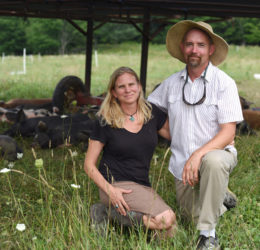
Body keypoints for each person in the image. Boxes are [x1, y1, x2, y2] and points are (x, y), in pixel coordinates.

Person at [148, 20, 243, 249]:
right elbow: (149, 111)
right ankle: (220, 199)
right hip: (182, 164)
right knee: (191, 217)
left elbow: (229, 131)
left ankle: (208, 236)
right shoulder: (171, 84)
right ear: (182, 48)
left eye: (200, 44)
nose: (194, 49)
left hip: (217, 155)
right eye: (189, 44)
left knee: (213, 161)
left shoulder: (224, 84)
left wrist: (198, 154)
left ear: (210, 49)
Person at [84, 66, 176, 237]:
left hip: (142, 185)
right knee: (166, 219)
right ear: (114, 92)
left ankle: (114, 215)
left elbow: (178, 136)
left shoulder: (151, 113)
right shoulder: (105, 120)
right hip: (115, 185)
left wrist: (214, 139)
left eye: (131, 84)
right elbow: (89, 165)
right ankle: (109, 211)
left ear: (139, 87)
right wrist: (110, 190)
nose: (128, 90)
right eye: (121, 86)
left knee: (170, 235)